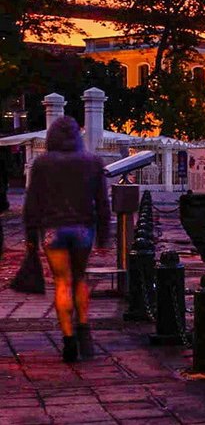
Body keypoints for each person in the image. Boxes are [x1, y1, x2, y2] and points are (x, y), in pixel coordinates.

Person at [22, 116, 110, 363]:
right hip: (83, 228)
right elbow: (102, 203)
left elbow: (32, 203)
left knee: (62, 281)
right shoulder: (92, 162)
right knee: (80, 278)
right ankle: (83, 326)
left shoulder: (42, 164)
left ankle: (68, 339)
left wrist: (31, 237)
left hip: (53, 229)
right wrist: (104, 236)